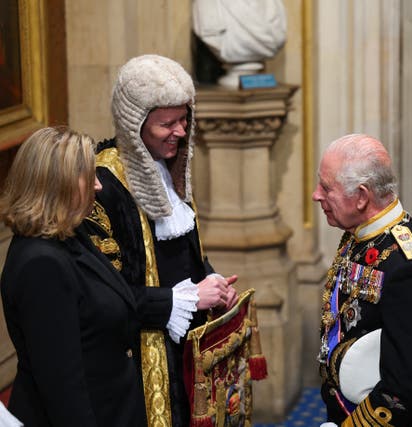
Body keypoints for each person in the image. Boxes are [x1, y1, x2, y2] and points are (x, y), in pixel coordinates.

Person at [82, 54, 238, 427]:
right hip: (138, 357)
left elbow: (185, 254)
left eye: (184, 119)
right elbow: (102, 295)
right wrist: (182, 299)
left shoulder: (171, 167)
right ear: (134, 125)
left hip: (186, 349)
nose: (181, 132)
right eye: (167, 123)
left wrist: (213, 282)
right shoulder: (103, 188)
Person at [0, 127, 147, 426]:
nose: (97, 186)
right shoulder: (41, 265)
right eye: (87, 176)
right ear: (57, 184)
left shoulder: (69, 235)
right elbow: (63, 388)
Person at [313, 134, 412, 427]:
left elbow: (402, 392)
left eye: (326, 187)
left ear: (361, 197)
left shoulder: (409, 270)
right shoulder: (361, 233)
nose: (316, 195)